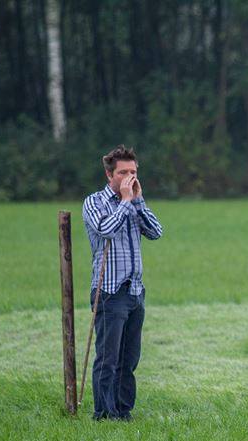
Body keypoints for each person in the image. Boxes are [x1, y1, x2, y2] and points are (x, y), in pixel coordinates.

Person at [82, 145, 163, 420]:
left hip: (135, 292)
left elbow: (156, 232)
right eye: (123, 172)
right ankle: (104, 414)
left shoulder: (135, 201)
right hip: (109, 291)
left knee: (129, 360)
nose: (130, 177)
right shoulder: (94, 202)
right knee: (108, 359)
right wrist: (125, 202)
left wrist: (137, 202)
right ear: (109, 175)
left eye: (133, 172)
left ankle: (123, 411)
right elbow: (106, 229)